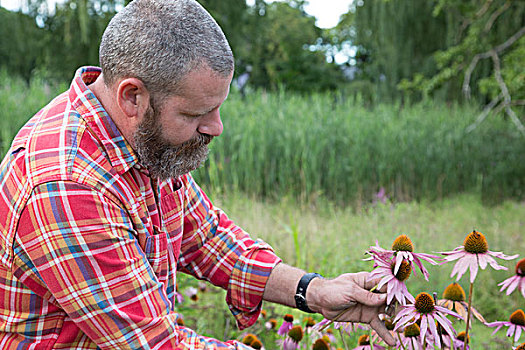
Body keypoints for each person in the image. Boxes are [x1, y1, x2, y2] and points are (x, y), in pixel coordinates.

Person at [0, 0, 396, 348]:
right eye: (194, 114)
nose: (216, 128)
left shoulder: (143, 141)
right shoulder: (66, 186)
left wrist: (313, 291)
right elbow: (156, 344)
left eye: (217, 108)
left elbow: (205, 237)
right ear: (132, 96)